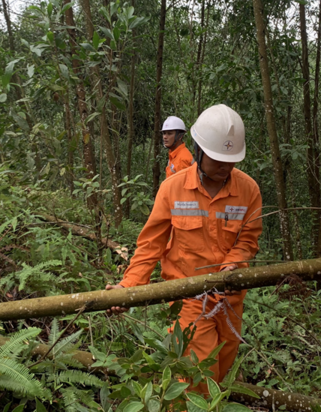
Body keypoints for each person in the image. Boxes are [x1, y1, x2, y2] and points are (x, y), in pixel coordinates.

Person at [107, 104, 262, 383]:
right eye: (217, 160)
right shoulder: (173, 188)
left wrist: (232, 263)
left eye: (231, 161)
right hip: (187, 297)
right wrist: (126, 287)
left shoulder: (249, 190)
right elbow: (151, 245)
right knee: (194, 377)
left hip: (230, 298)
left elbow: (249, 240)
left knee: (221, 371)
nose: (225, 167)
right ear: (199, 151)